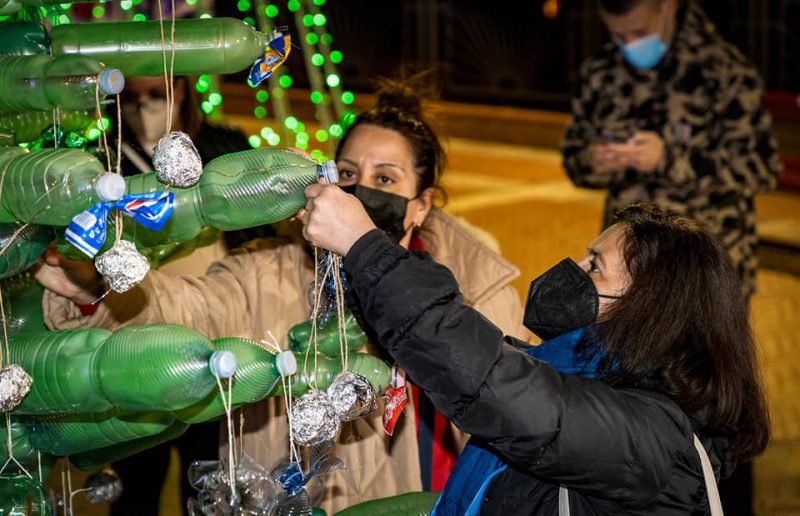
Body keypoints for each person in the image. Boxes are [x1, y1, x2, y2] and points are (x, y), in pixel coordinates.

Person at [35, 81, 529, 513]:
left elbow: (518, 424)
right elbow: (182, 310)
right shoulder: (268, 271)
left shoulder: (475, 289)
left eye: (385, 179)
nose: (362, 191)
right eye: (349, 174)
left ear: (421, 205)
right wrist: (99, 286)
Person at [298, 193, 771, 514]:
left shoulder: (649, 435)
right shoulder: (580, 377)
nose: (572, 270)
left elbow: (492, 382)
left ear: (648, 309)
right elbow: (457, 345)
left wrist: (364, 245)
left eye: (594, 266)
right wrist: (360, 260)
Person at [96, 75, 254, 515]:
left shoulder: (223, 146)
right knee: (137, 483)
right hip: (139, 344)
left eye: (158, 94)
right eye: (133, 97)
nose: (145, 107)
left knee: (210, 482)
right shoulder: (102, 161)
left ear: (182, 89)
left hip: (218, 341)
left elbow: (256, 230)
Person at [561, 0, 782, 301]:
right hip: (626, 273)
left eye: (638, 31)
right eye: (618, 35)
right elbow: (574, 158)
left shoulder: (726, 71)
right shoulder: (601, 72)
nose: (628, 44)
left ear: (668, 7)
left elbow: (762, 170)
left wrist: (669, 159)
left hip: (706, 275)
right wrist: (593, 161)